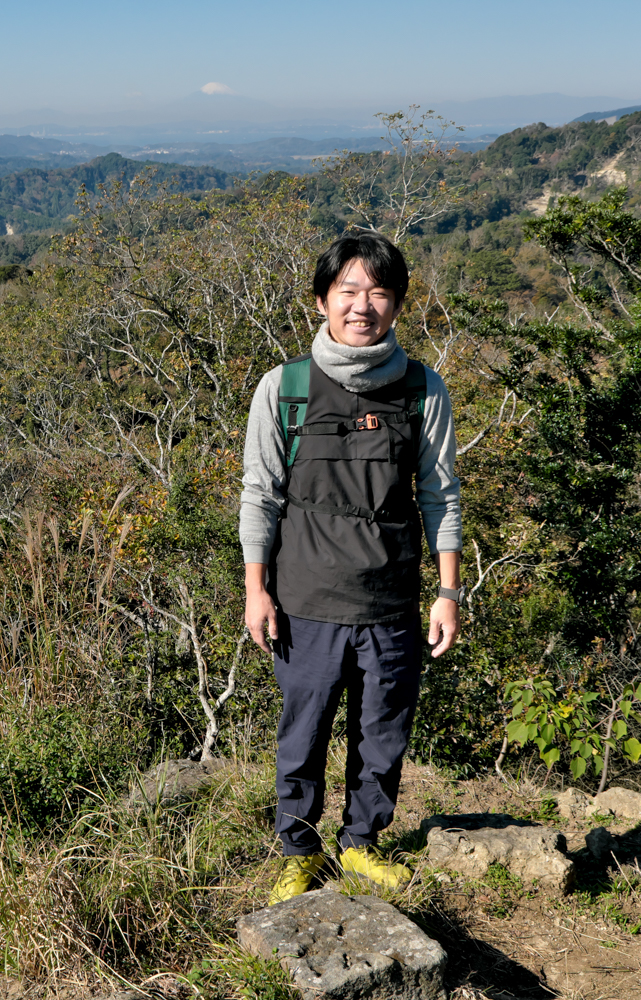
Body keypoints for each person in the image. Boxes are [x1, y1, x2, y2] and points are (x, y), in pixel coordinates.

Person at [239, 232, 462, 904]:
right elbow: (261, 495)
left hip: (390, 602)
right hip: (303, 600)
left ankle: (361, 844)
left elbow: (440, 492)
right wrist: (256, 591)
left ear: (396, 306)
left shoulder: (422, 388)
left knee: (382, 735)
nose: (362, 305)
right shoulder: (287, 388)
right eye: (349, 291)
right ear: (321, 301)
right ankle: (298, 851)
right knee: (301, 735)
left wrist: (448, 592)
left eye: (378, 292)